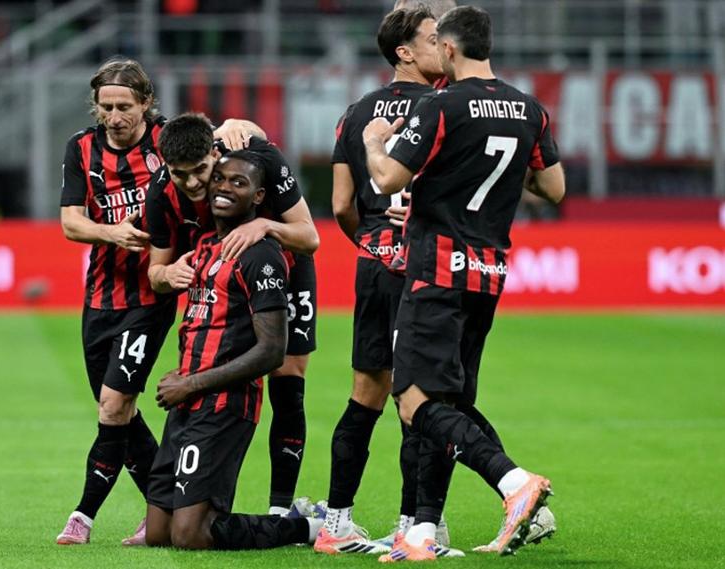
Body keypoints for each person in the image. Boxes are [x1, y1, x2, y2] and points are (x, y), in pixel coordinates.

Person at [363, 6, 565, 560]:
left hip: (436, 270)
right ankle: (423, 533)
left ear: (449, 50)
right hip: (490, 272)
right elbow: (554, 187)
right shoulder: (529, 110)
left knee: (412, 400)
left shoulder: (441, 105)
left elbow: (386, 179)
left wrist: (375, 140)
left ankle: (514, 483)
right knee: (449, 399)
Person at [56, 58, 263, 546]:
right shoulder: (81, 149)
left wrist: (236, 125)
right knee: (117, 409)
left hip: (154, 292)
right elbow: (69, 221)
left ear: (146, 104)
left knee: (114, 402)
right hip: (101, 295)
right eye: (106, 107)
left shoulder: (170, 141)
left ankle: (83, 516)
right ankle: (160, 506)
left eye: (124, 106)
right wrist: (111, 232)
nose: (114, 116)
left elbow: (223, 140)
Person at [314, 6, 460, 557]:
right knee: (422, 400)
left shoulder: (355, 114)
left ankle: (337, 523)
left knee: (364, 395)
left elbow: (341, 205)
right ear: (404, 52)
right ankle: (413, 527)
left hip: (374, 265)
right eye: (430, 38)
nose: (442, 46)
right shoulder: (445, 106)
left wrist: (376, 246)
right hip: (426, 266)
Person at [144, 152, 324, 550]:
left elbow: (272, 352)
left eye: (238, 183)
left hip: (223, 405)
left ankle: (306, 526)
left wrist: (190, 384)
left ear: (259, 196)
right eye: (220, 179)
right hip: (185, 402)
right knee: (158, 535)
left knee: (190, 536)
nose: (224, 187)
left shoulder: (262, 256)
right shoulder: (205, 245)